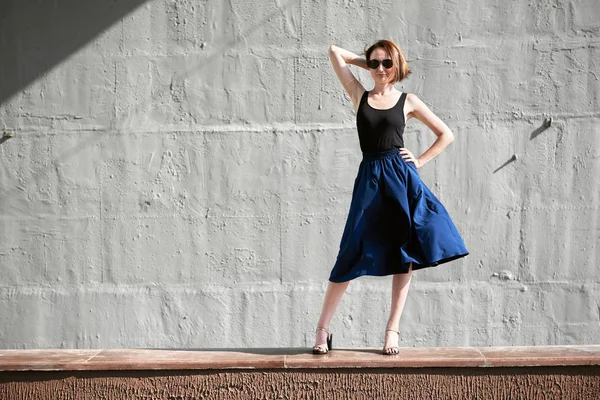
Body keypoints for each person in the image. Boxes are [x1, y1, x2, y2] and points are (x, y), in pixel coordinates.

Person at [312, 40, 469, 355]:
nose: (380, 69)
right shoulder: (360, 95)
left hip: (400, 178)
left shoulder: (408, 100)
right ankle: (322, 329)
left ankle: (392, 332)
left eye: (387, 63)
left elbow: (446, 134)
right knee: (350, 251)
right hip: (370, 179)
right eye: (375, 64)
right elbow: (333, 51)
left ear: (397, 66)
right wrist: (367, 62)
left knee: (403, 255)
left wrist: (420, 161)